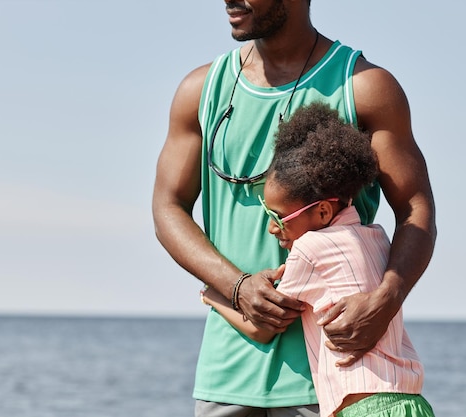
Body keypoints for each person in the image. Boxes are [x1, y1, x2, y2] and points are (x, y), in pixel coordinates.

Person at [152, 1, 436, 415]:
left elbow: (415, 206)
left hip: (338, 380)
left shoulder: (364, 86)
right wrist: (237, 286)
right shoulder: (200, 90)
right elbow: (167, 206)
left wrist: (387, 299)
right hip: (227, 376)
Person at [201, 102, 435, 417]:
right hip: (409, 402)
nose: (272, 227)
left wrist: (213, 294)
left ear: (323, 211)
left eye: (278, 217)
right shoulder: (378, 238)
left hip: (362, 409)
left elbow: (265, 326)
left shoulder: (310, 248)